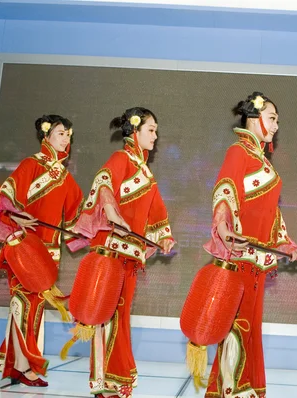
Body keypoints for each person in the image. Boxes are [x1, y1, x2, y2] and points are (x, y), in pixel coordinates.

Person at [70, 107, 175, 398]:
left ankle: (114, 380)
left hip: (129, 256)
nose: (155, 135)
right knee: (108, 315)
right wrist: (112, 212)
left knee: (120, 315)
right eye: (151, 129)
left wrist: (164, 237)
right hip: (110, 252)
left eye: (156, 130)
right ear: (134, 130)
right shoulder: (121, 158)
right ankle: (105, 382)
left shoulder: (146, 172)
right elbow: (104, 183)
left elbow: (157, 213)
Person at [204, 92, 297, 398]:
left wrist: (285, 243)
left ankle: (237, 391)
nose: (275, 126)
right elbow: (224, 189)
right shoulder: (239, 152)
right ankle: (231, 392)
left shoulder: (261, 160)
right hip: (240, 259)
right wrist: (222, 226)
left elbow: (271, 212)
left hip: (256, 261)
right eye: (272, 119)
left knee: (246, 328)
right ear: (255, 117)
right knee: (237, 327)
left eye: (276, 121)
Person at [0, 115, 83, 387]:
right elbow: (7, 195)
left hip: (49, 251)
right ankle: (22, 366)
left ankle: (19, 365)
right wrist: (16, 217)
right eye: (61, 133)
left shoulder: (64, 175)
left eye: (69, 134)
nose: (67, 138)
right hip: (24, 246)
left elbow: (79, 212)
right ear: (46, 136)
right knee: (23, 303)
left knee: (35, 307)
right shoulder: (32, 164)